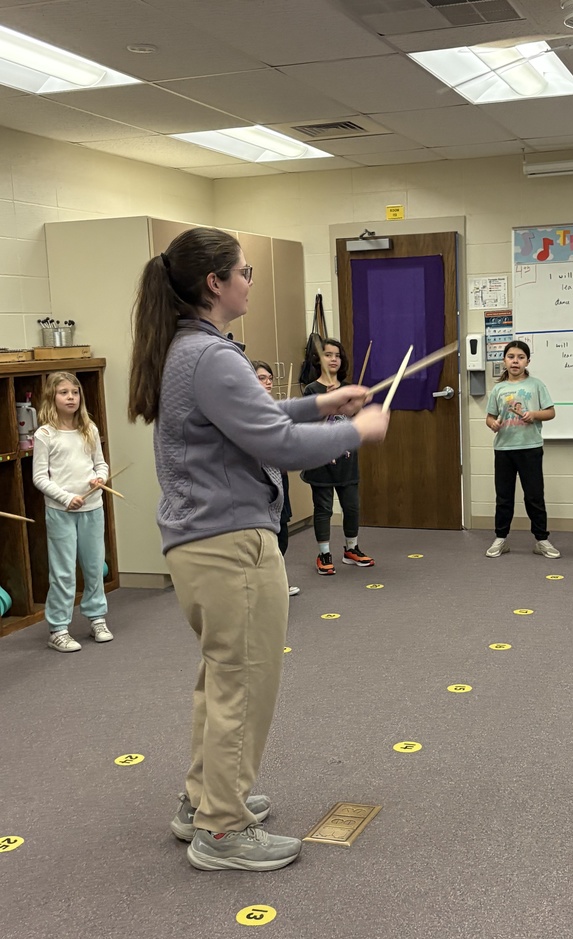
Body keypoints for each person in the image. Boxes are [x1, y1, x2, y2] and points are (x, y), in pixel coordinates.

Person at [128, 227, 388, 873]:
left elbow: (254, 416)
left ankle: (203, 803)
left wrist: (323, 401)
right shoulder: (210, 356)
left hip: (202, 545)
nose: (251, 281)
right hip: (229, 548)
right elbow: (277, 445)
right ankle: (222, 831)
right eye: (245, 272)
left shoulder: (191, 349)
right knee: (243, 686)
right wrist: (355, 429)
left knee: (221, 681)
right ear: (215, 283)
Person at [32, 371, 113, 652]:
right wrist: (66, 498)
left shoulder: (88, 429)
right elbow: (40, 478)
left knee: (94, 567)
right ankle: (58, 628)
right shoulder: (45, 434)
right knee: (63, 572)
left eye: (75, 392)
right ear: (51, 397)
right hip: (61, 512)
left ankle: (97, 618)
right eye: (64, 392)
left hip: (93, 508)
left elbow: (101, 464)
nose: (71, 397)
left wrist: (99, 479)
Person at [302, 338, 375, 575]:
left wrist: (359, 407)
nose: (333, 359)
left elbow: (356, 424)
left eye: (337, 355)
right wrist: (330, 403)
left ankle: (351, 549)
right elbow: (308, 425)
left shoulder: (349, 389)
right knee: (323, 508)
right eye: (328, 355)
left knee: (351, 506)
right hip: (320, 459)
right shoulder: (312, 390)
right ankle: (324, 553)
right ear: (318, 359)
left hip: (346, 460)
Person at [484, 340, 561, 559]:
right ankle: (501, 538)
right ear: (504, 360)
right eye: (511, 357)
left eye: (520, 357)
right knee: (504, 496)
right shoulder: (498, 389)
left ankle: (541, 540)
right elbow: (489, 417)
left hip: (530, 448)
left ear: (528, 361)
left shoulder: (536, 385)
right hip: (504, 449)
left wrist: (534, 415)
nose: (515, 361)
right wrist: (493, 424)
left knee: (534, 496)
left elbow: (551, 412)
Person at [253, 360, 299, 596]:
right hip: (261, 481)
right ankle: (267, 585)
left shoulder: (275, 407)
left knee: (282, 528)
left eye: (270, 377)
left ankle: (277, 580)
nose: (268, 381)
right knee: (266, 533)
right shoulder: (249, 410)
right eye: (262, 377)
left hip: (279, 476)